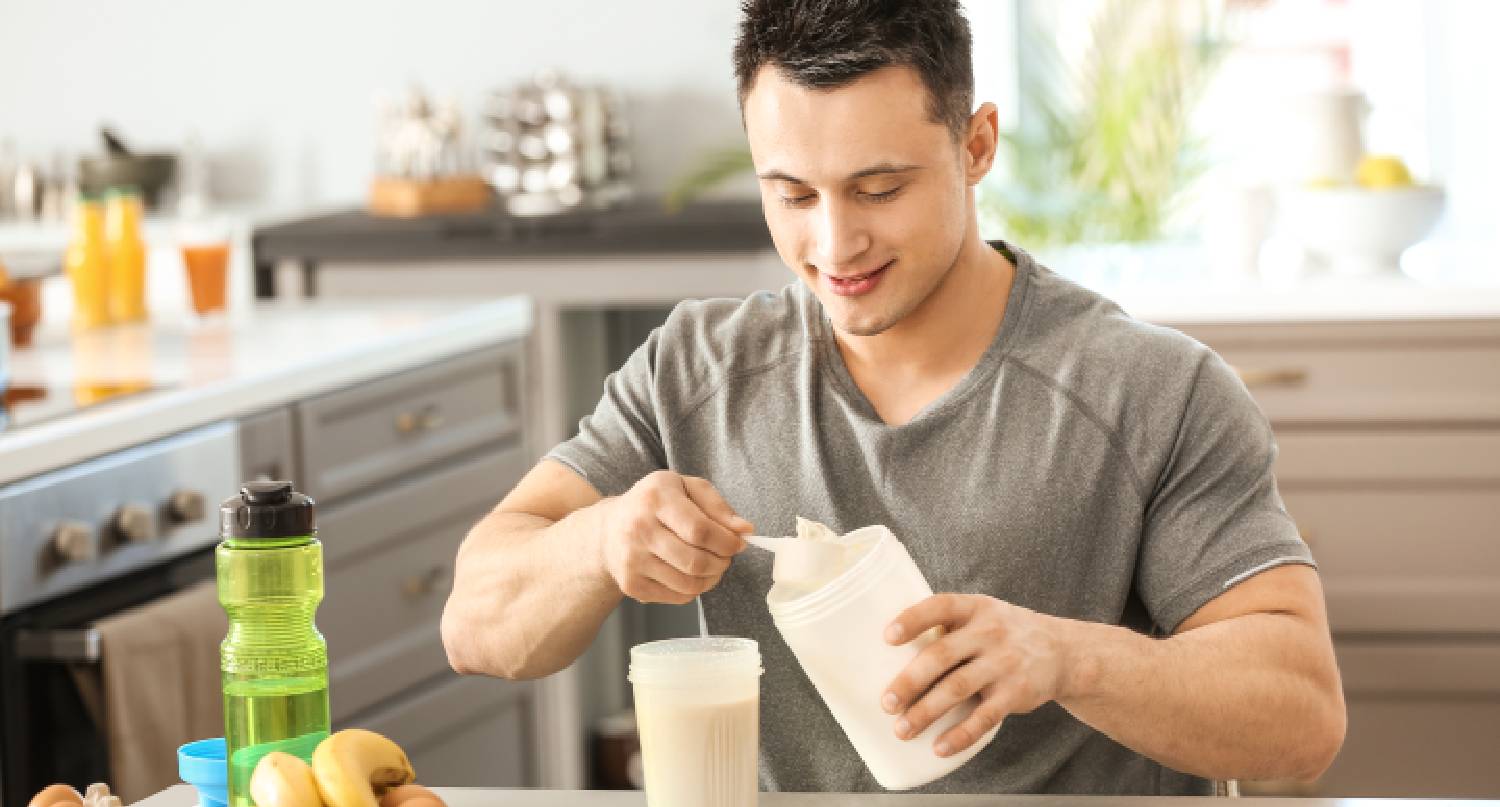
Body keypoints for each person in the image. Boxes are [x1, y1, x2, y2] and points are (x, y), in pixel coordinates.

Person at [442, 0, 1346, 794]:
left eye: (880, 188)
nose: (835, 244)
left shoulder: (1152, 390)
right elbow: (477, 626)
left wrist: (1066, 657)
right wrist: (601, 541)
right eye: (791, 193)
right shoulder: (695, 368)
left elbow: (1301, 716)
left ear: (976, 144)